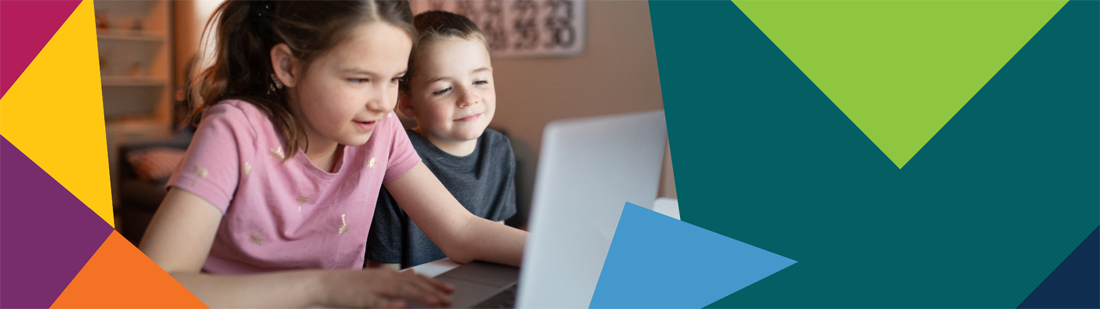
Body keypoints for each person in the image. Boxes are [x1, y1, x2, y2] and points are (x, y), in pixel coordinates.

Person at [138, 1, 526, 308]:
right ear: (288, 66)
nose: (382, 102)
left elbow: (459, 230)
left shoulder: (381, 130)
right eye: (360, 79)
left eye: (394, 79)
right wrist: (323, 287)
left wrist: (561, 250)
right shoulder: (236, 129)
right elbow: (153, 290)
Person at [366, 11, 515, 270]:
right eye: (444, 89)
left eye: (479, 80)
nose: (469, 98)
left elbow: (497, 245)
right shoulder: (395, 161)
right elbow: (383, 272)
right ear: (406, 103)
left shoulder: (499, 150)